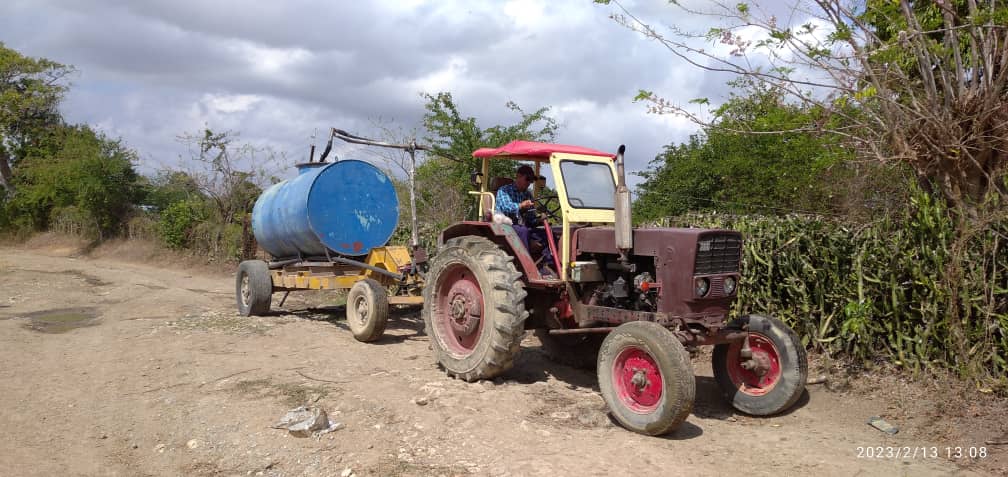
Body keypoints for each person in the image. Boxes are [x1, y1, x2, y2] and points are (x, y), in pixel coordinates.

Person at [495, 164, 556, 278]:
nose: (529, 183)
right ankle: (526, 268)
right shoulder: (504, 190)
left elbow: (530, 216)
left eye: (531, 180)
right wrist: (521, 205)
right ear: (518, 176)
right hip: (505, 224)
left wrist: (538, 220)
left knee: (548, 233)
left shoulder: (527, 194)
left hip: (522, 225)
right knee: (523, 231)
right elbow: (506, 206)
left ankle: (549, 266)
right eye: (527, 179)